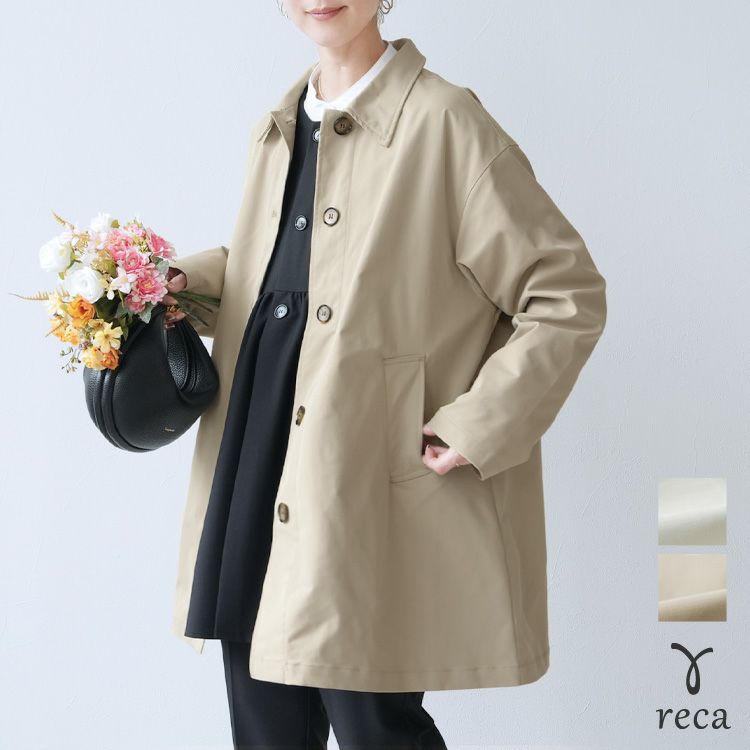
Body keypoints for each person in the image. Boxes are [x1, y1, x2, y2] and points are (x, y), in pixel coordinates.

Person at [163, 1, 607, 747]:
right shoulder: (278, 126)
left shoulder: (445, 122)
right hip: (257, 449)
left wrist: (479, 423)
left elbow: (566, 294)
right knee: (263, 721)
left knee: (373, 723)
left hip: (359, 466)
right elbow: (279, 274)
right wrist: (177, 284)